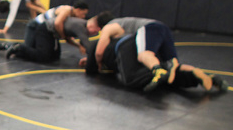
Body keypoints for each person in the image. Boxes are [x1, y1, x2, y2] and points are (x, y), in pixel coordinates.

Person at [85, 33, 230, 93]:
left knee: (130, 78)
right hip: (142, 43)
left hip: (125, 50)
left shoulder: (96, 44)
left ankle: (164, 69)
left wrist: (92, 62)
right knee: (168, 78)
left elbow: (91, 70)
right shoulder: (115, 34)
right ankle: (203, 77)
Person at [94, 17, 184, 92]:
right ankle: (194, 72)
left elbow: (99, 51)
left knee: (144, 54)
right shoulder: (124, 23)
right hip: (164, 29)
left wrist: (98, 63)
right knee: (172, 63)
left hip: (150, 28)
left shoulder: (109, 26)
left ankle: (157, 70)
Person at [0, 1, 98, 63]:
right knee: (29, 50)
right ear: (78, 9)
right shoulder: (67, 10)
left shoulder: (72, 18)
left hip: (47, 30)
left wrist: (77, 45)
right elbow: (57, 24)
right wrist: (62, 36)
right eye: (83, 14)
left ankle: (13, 48)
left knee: (47, 55)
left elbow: (64, 35)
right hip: (36, 26)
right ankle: (8, 46)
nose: (83, 17)